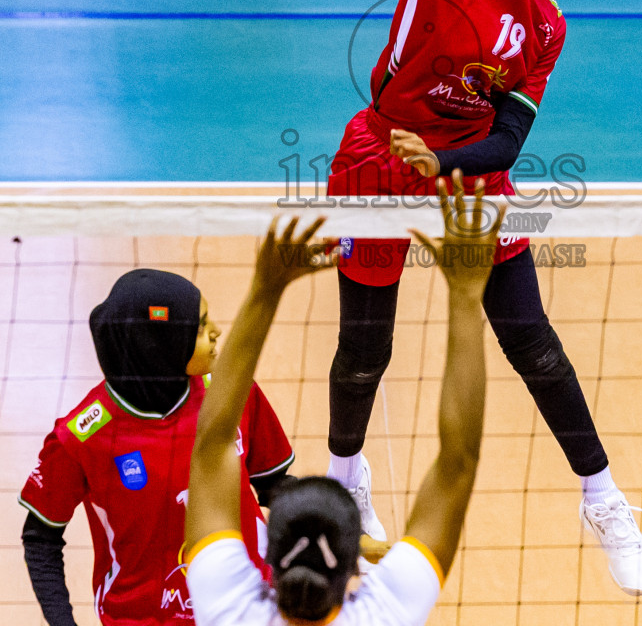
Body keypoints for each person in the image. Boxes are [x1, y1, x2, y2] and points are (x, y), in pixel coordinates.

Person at [322, 0, 642, 596]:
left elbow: (509, 135)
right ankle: (346, 482)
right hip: (379, 155)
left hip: (470, 170)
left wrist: (452, 166)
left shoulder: (545, 25)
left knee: (531, 339)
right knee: (366, 347)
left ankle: (603, 497)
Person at [184, 172, 498, 626]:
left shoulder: (225, 608)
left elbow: (212, 446)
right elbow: (459, 462)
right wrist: (467, 295)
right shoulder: (387, 614)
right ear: (356, 563)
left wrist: (265, 290)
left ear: (267, 554)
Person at [19, 269, 297, 625]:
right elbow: (40, 538)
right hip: (141, 617)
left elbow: (274, 484)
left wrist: (335, 519)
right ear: (160, 344)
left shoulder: (230, 394)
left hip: (242, 604)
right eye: (199, 327)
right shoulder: (81, 438)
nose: (216, 331)